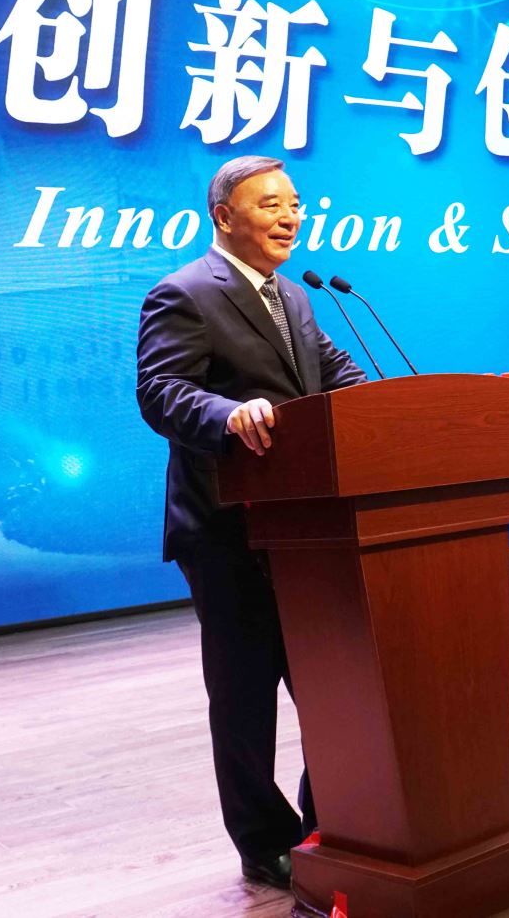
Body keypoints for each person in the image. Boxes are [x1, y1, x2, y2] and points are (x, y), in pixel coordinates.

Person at [135, 155, 367, 890]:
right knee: (244, 699)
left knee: (329, 681)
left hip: (305, 531)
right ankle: (263, 842)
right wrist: (229, 416)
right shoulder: (184, 293)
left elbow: (333, 376)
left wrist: (392, 408)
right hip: (227, 531)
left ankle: (327, 820)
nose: (290, 216)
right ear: (224, 215)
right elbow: (161, 390)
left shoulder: (294, 297)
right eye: (270, 204)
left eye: (295, 203)